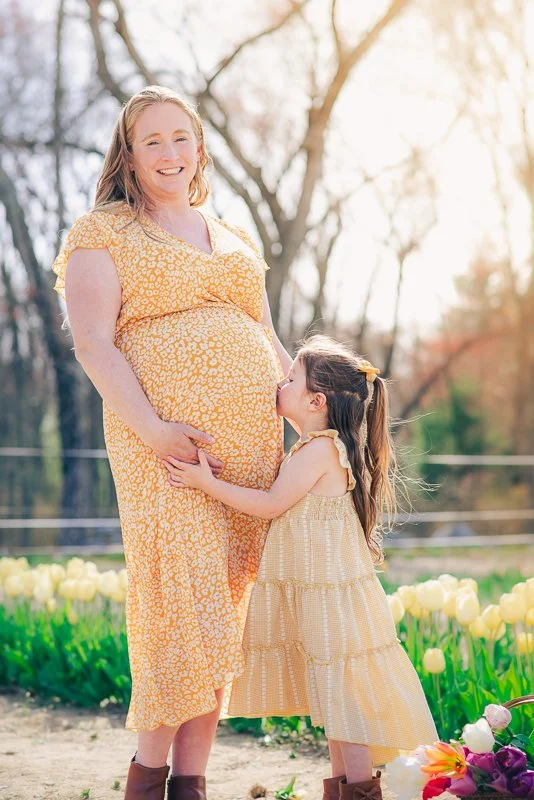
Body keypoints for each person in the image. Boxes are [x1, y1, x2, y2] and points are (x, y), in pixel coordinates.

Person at [52, 85, 290, 800]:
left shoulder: (234, 235)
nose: (170, 152)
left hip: (251, 454)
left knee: (221, 614)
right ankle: (146, 780)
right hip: (164, 448)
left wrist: (323, 418)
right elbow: (94, 345)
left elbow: (267, 336)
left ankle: (191, 783)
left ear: (200, 147)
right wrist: (156, 430)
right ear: (128, 155)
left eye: (181, 137)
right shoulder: (103, 233)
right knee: (178, 605)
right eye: (152, 140)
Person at [164, 335, 438, 800]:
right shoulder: (320, 443)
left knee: (344, 702)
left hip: (327, 595)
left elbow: (270, 504)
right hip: (324, 594)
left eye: (291, 378)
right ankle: (344, 789)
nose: (280, 382)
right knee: (336, 699)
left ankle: (360, 792)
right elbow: (286, 464)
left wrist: (204, 482)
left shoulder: (319, 451)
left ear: (316, 402)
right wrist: (266, 333)